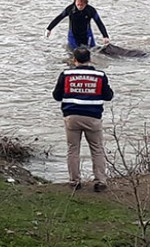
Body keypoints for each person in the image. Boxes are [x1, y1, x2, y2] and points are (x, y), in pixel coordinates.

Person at [52, 47, 114, 192]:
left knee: (73, 149)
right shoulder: (99, 75)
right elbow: (108, 96)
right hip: (93, 117)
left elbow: (56, 96)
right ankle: (100, 181)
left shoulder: (66, 74)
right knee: (97, 149)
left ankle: (74, 181)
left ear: (74, 60)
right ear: (90, 59)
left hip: (71, 116)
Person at [46, 0, 110, 50]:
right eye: (78, 5)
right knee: (73, 52)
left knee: (92, 50)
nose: (79, 7)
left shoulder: (91, 10)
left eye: (82, 5)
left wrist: (105, 36)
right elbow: (59, 18)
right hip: (73, 34)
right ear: (75, 3)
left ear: (86, 4)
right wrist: (49, 29)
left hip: (87, 34)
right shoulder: (70, 9)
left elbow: (99, 22)